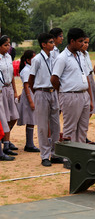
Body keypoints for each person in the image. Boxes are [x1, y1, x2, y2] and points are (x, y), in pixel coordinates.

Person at [51, 28, 93, 144]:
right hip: (70, 95)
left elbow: (86, 76)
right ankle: (68, 159)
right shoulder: (62, 57)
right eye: (80, 41)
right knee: (70, 129)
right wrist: (64, 90)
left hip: (84, 95)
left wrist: (90, 98)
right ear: (72, 41)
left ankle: (79, 158)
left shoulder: (81, 55)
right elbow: (54, 79)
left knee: (83, 128)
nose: (82, 44)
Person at [28, 33, 61, 167]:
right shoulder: (37, 60)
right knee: (42, 126)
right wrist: (36, 92)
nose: (53, 44)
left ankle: (55, 154)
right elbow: (31, 79)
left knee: (55, 125)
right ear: (44, 44)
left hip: (53, 92)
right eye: (51, 42)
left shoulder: (53, 57)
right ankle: (44, 156)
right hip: (41, 92)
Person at [17, 50, 40, 152]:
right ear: (27, 60)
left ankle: (29, 143)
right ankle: (29, 144)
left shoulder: (30, 69)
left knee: (32, 120)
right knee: (30, 120)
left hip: (31, 94)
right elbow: (26, 86)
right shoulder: (26, 70)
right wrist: (31, 101)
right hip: (29, 95)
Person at [0, 35, 19, 156]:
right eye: (5, 45)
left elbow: (11, 74)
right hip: (1, 90)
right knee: (4, 118)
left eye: (9, 44)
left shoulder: (8, 57)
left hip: (9, 88)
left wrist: (15, 91)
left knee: (14, 116)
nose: (8, 47)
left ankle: (5, 139)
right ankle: (6, 144)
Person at [79, 35, 95, 145]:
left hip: (90, 77)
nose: (86, 45)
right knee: (85, 109)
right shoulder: (78, 55)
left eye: (87, 43)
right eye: (84, 42)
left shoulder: (86, 54)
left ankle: (83, 134)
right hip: (83, 80)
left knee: (90, 109)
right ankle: (82, 135)